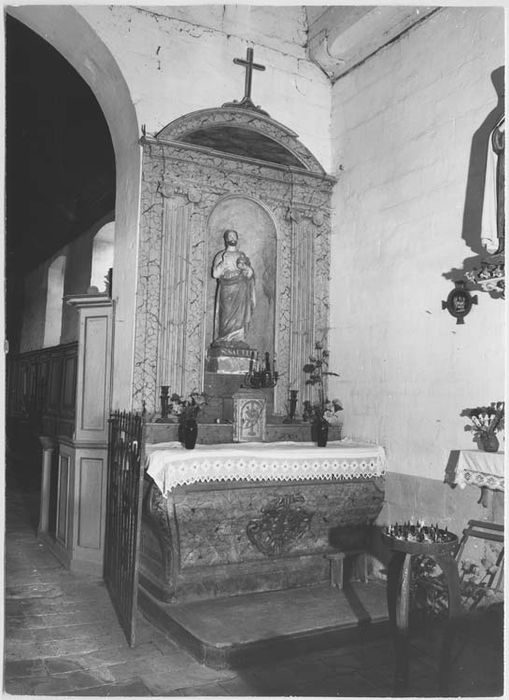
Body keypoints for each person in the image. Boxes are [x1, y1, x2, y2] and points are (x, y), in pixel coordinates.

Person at [212, 229, 255, 346]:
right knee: (225, 314)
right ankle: (224, 338)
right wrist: (222, 265)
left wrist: (246, 268)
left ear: (237, 239)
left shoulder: (241, 255)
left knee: (240, 315)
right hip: (226, 289)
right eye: (230, 236)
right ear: (226, 239)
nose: (232, 238)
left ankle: (238, 338)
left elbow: (250, 274)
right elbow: (215, 274)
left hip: (240, 288)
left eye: (234, 236)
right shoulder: (221, 255)